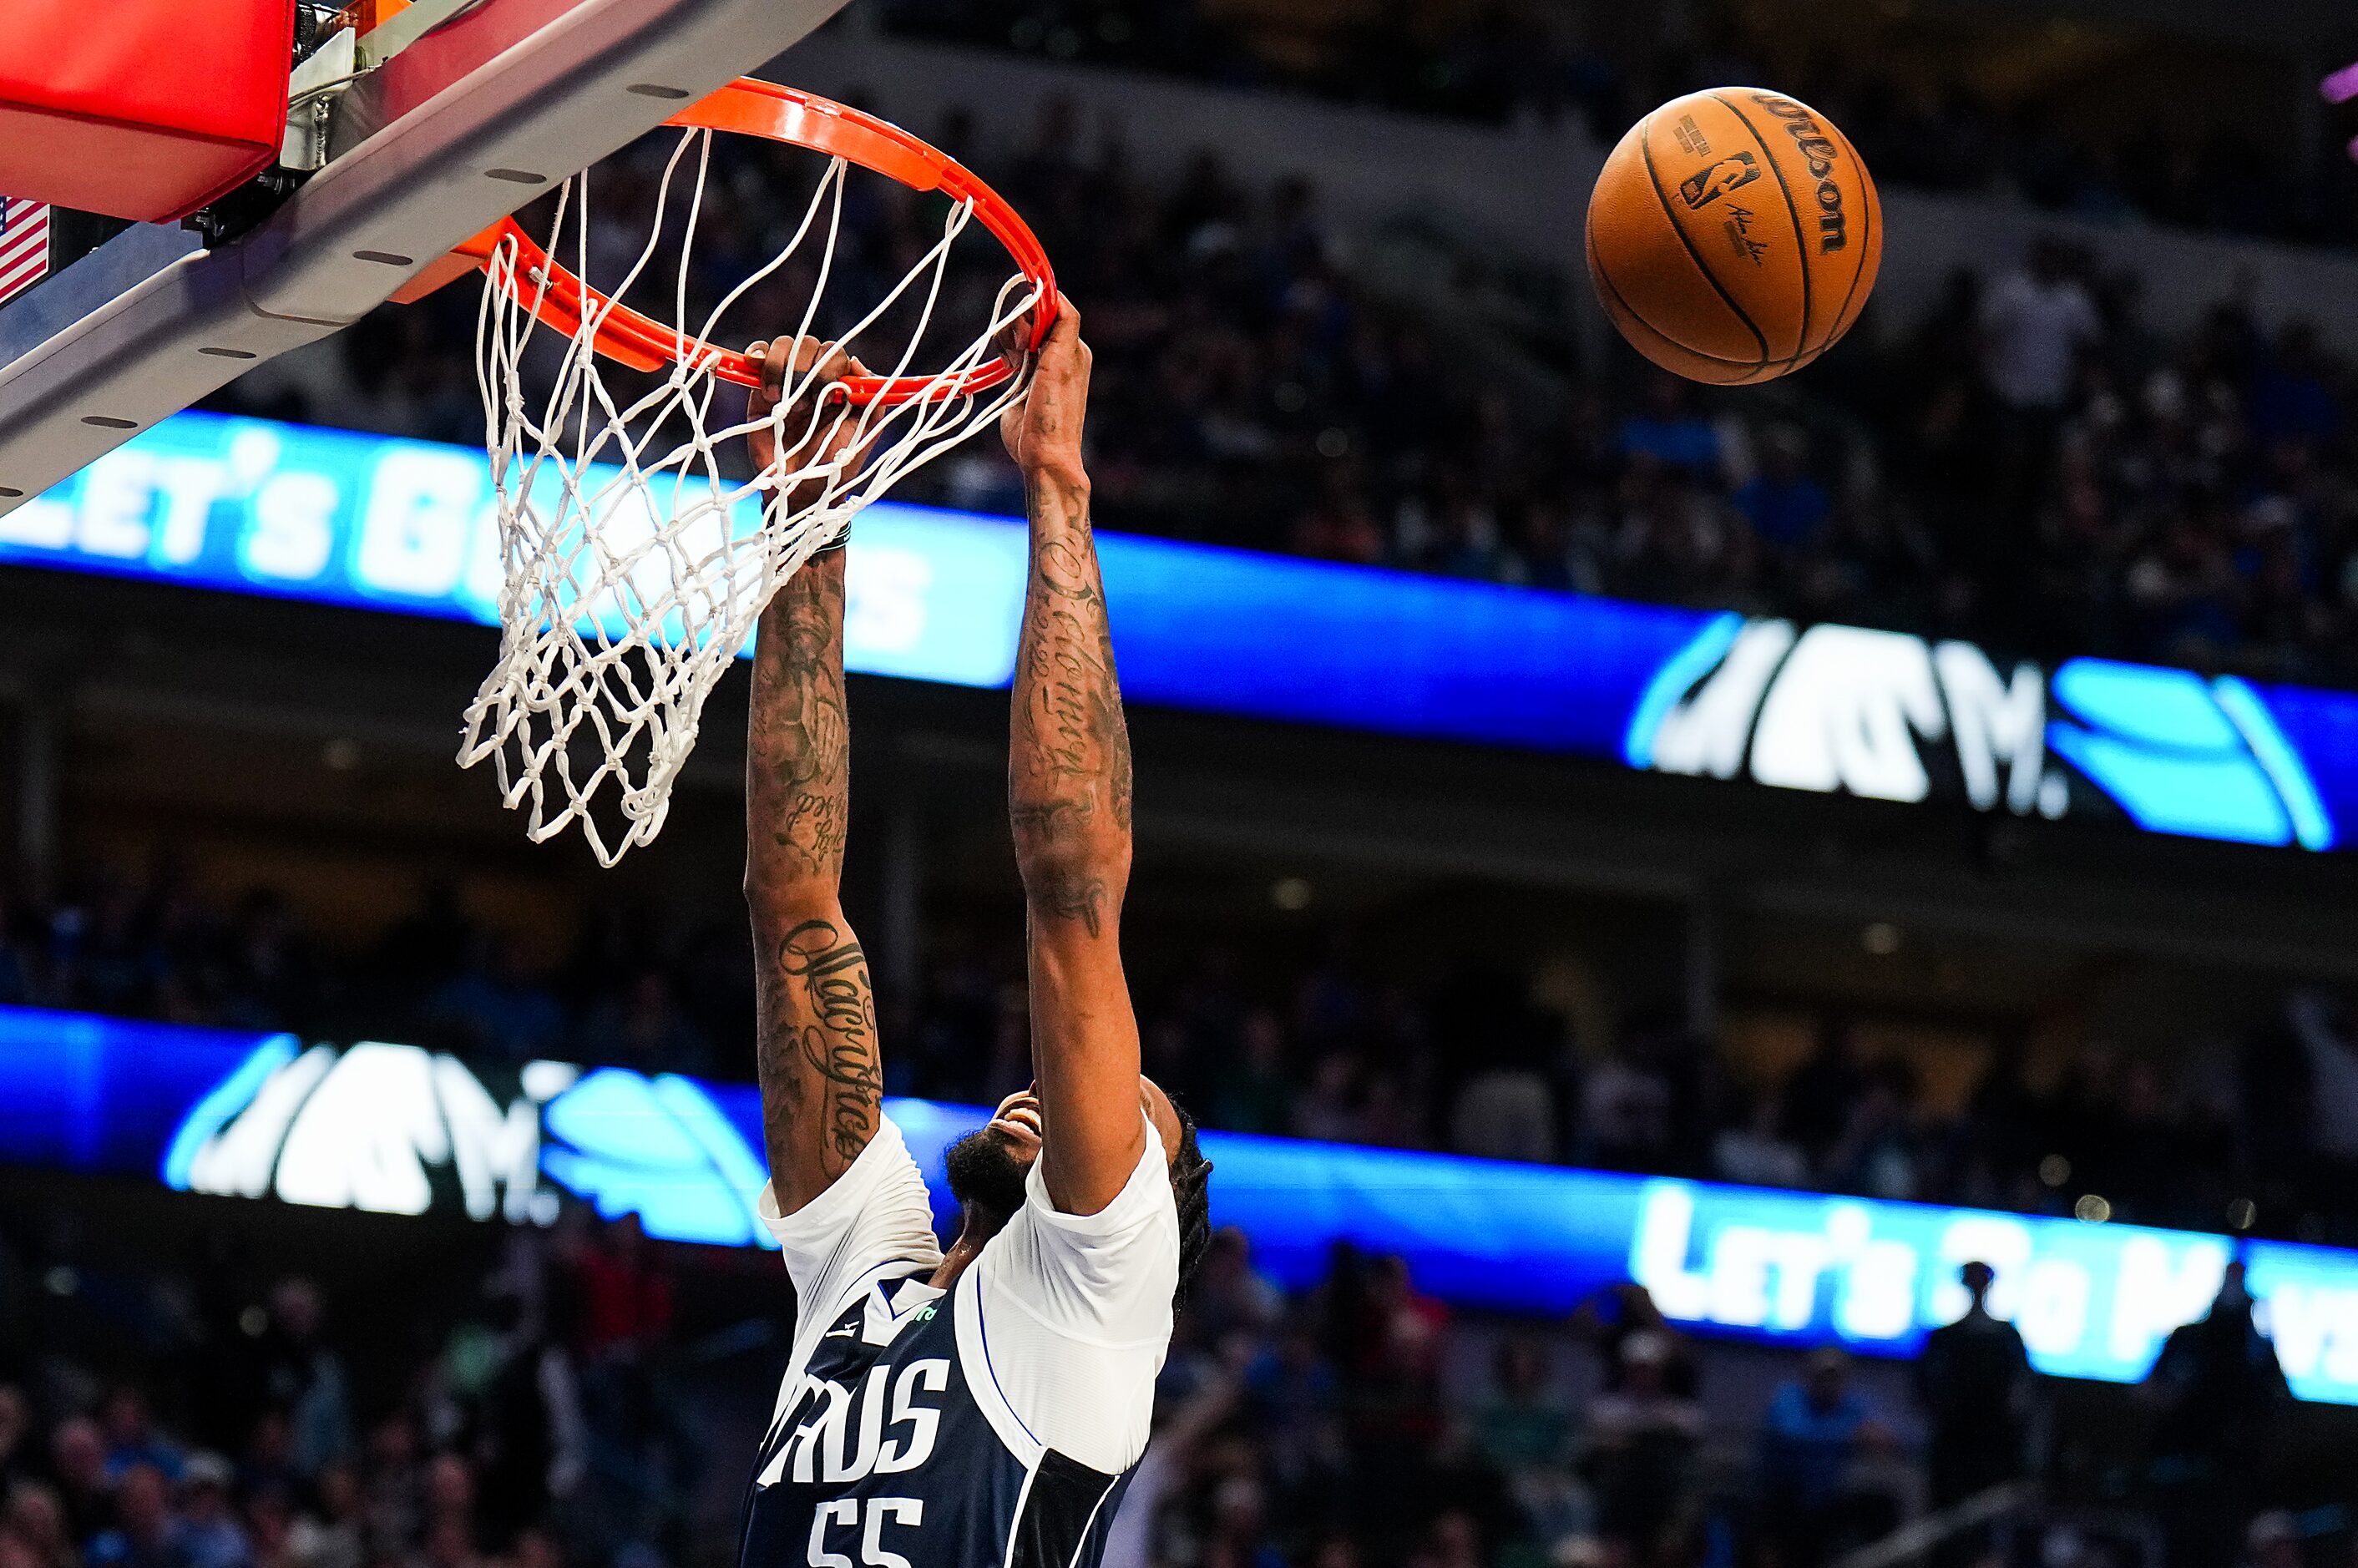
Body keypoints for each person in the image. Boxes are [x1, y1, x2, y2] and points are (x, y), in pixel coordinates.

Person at [733, 309, 1214, 1568]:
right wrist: (809, 509)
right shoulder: (866, 1277)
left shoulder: (1096, 1294)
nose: (1064, 1093)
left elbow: (1073, 897)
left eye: (1129, 1110)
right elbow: (795, 899)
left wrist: (1057, 483)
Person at [1914, 1262, 2033, 1514]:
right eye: (1973, 1279)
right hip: (1953, 1441)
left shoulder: (2007, 1337)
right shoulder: (1943, 1337)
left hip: (1995, 1443)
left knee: (1988, 1512)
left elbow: (2023, 1389)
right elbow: (1923, 1385)